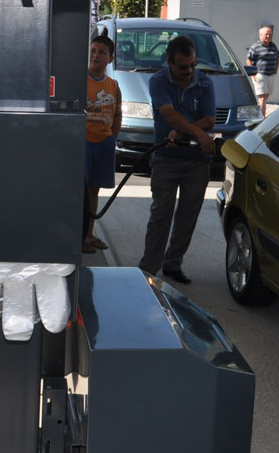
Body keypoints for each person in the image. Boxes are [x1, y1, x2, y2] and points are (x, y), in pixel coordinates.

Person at [138, 34, 216, 285]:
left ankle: (173, 264)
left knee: (187, 217)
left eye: (193, 64)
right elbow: (168, 114)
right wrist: (198, 134)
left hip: (196, 162)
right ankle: (148, 269)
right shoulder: (158, 81)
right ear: (169, 62)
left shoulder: (205, 83)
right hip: (166, 159)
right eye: (183, 67)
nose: (189, 71)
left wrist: (182, 132)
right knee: (161, 215)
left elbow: (209, 119)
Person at [84, 35, 121, 254]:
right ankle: (78, 236)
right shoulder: (79, 81)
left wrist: (111, 137)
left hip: (103, 144)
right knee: (79, 192)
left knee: (93, 192)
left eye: (101, 52)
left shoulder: (113, 85)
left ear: (110, 59)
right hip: (83, 144)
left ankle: (89, 234)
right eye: (93, 51)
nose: (95, 55)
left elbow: (118, 114)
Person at [246, 25, 279, 115]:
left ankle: (258, 112)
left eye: (270, 34)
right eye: (266, 34)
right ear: (260, 35)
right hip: (260, 75)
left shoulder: (273, 46)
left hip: (271, 75)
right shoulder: (255, 46)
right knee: (262, 97)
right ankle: (262, 117)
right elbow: (249, 60)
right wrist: (253, 74)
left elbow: (277, 58)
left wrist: (275, 70)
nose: (268, 36)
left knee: (265, 96)